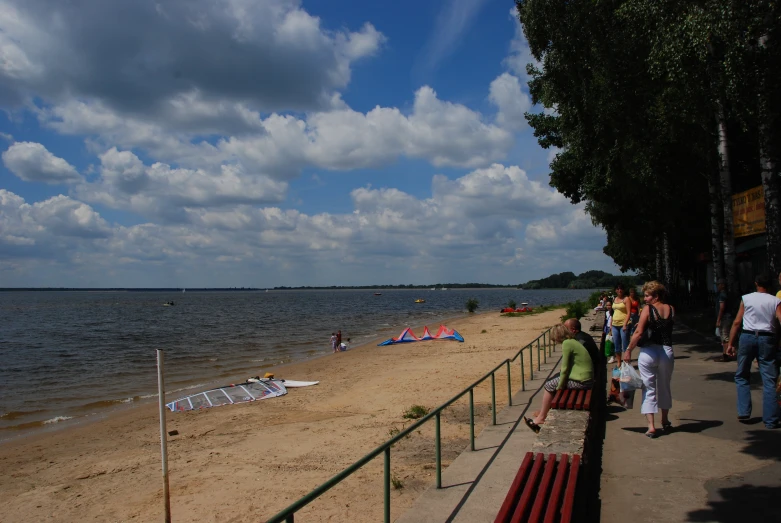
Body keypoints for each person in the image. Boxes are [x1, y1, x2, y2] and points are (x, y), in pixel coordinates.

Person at [726, 273, 781, 429]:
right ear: (770, 285)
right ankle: (770, 420)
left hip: (748, 337)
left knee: (742, 374)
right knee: (769, 379)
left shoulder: (747, 298)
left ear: (756, 283)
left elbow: (737, 322)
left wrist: (730, 343)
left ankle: (744, 411)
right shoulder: (776, 301)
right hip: (767, 338)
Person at [624, 281, 675, 438]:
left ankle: (651, 426)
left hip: (649, 352)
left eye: (647, 295)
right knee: (664, 386)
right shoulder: (671, 309)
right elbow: (664, 327)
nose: (644, 299)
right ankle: (665, 420)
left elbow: (639, 332)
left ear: (656, 296)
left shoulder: (648, 309)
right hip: (666, 350)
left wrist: (628, 350)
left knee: (648, 388)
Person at [524, 323, 594, 433]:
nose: (554, 341)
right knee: (553, 381)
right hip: (586, 378)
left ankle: (541, 418)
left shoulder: (567, 343)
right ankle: (543, 412)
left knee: (549, 385)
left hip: (582, 381)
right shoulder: (573, 341)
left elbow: (565, 367)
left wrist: (560, 386)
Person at [610, 283, 630, 366]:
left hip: (623, 324)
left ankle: (626, 362)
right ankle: (619, 362)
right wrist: (611, 324)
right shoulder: (614, 299)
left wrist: (625, 324)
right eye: (618, 289)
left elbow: (629, 313)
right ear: (615, 290)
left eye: (621, 289)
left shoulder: (626, 299)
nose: (619, 290)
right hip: (615, 324)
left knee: (625, 344)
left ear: (624, 290)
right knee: (616, 344)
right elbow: (613, 312)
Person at [715, 279, 733, 362]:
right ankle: (726, 353)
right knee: (723, 336)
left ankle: (726, 355)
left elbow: (722, 308)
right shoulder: (723, 294)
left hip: (725, 318)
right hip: (726, 317)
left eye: (718, 284)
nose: (717, 286)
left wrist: (718, 319)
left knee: (724, 336)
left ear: (722, 285)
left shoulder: (722, 295)